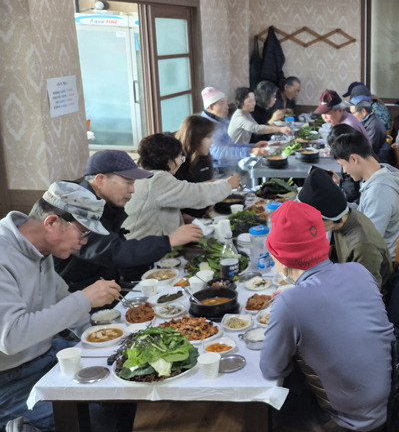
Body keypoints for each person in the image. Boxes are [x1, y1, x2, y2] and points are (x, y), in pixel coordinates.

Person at [260, 201, 394, 432]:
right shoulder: (358, 271)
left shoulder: (290, 303)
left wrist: (291, 303)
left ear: (280, 257)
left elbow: (272, 369)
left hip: (348, 419)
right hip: (389, 400)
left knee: (276, 404)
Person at [1, 182, 124, 431]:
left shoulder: (40, 248)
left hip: (47, 353)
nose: (84, 242)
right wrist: (84, 299)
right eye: (83, 233)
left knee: (121, 378)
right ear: (52, 223)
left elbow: (59, 297)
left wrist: (97, 335)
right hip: (9, 379)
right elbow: (10, 338)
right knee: (90, 412)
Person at [55, 150, 202, 292]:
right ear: (100, 180)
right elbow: (112, 251)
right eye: (128, 183)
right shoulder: (77, 207)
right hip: (74, 292)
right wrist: (169, 241)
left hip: (102, 283)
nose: (132, 190)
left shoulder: (104, 204)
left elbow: (117, 249)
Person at [123, 133, 238, 239]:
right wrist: (227, 185)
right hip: (143, 248)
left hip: (144, 243)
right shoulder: (157, 179)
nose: (181, 162)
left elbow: (177, 193)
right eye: (179, 157)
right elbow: (196, 195)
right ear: (168, 160)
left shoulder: (144, 175)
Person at [296, 168, 393, 289]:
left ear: (327, 217)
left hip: (368, 293)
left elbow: (368, 293)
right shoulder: (345, 217)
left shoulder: (362, 246)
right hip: (347, 279)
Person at [331, 132, 399, 254]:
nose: (344, 171)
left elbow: (368, 241)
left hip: (379, 258)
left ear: (354, 159)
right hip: (373, 249)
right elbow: (363, 212)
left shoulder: (379, 192)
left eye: (342, 165)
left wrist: (337, 225)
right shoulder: (381, 173)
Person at [199, 86, 268, 167]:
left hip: (229, 164)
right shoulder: (206, 126)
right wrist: (250, 151)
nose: (227, 107)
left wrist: (253, 146)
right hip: (218, 169)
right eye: (222, 103)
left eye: (226, 103)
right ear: (211, 107)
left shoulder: (220, 121)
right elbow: (218, 152)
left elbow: (230, 145)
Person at [174, 114, 217, 219]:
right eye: (208, 137)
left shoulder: (205, 157)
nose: (212, 141)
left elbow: (208, 186)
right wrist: (188, 218)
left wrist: (212, 204)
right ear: (195, 138)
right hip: (183, 222)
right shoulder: (176, 162)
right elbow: (173, 199)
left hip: (205, 216)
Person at [350, 95, 390, 161]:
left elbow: (368, 151)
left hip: (376, 162)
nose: (352, 116)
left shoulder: (374, 126)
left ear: (363, 112)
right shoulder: (368, 121)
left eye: (353, 113)